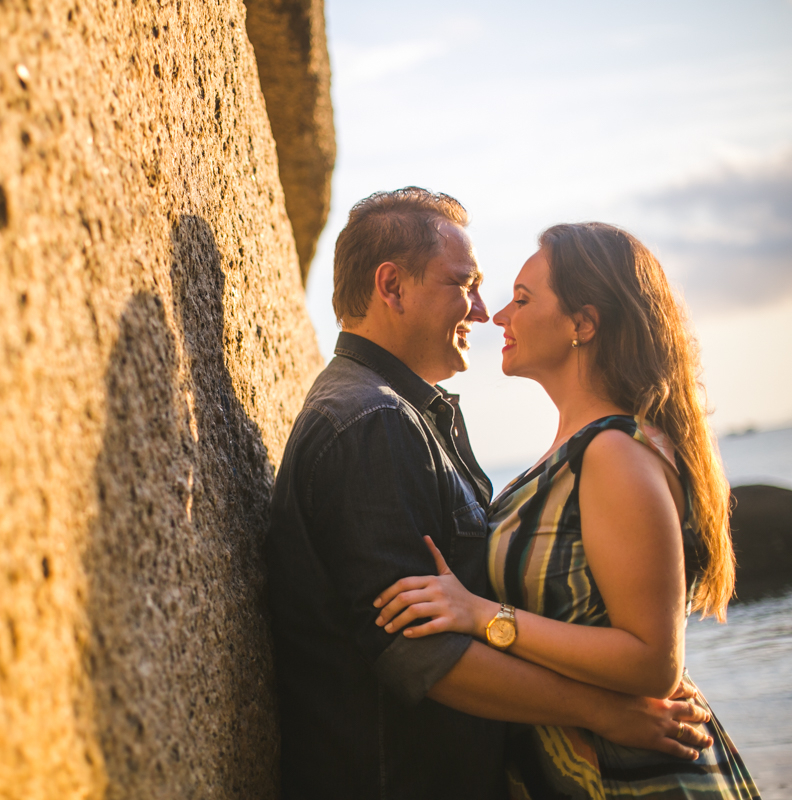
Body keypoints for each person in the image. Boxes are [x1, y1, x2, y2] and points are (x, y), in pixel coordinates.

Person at [266, 189, 714, 800]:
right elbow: (422, 652)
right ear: (392, 287)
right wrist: (603, 711)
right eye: (464, 284)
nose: (485, 311)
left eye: (509, 296)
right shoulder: (371, 421)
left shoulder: (405, 417)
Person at [371, 222, 759, 797]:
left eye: (522, 300)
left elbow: (655, 662)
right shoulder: (579, 451)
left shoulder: (613, 453)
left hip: (638, 777)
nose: (499, 316)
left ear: (583, 323)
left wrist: (482, 615)